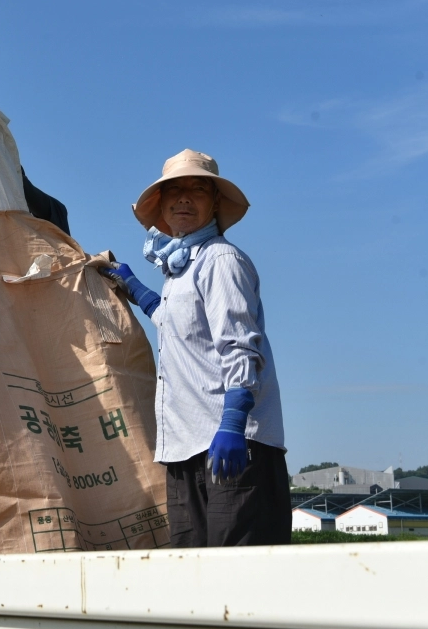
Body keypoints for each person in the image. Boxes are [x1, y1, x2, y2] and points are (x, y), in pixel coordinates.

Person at [101, 149, 289, 547]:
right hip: (187, 447)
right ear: (162, 205)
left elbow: (239, 346)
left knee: (238, 575)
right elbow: (179, 325)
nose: (184, 198)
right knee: (193, 575)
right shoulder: (180, 270)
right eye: (175, 190)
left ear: (215, 203)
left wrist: (234, 421)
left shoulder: (221, 260)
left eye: (197, 189)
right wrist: (136, 290)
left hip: (233, 446)